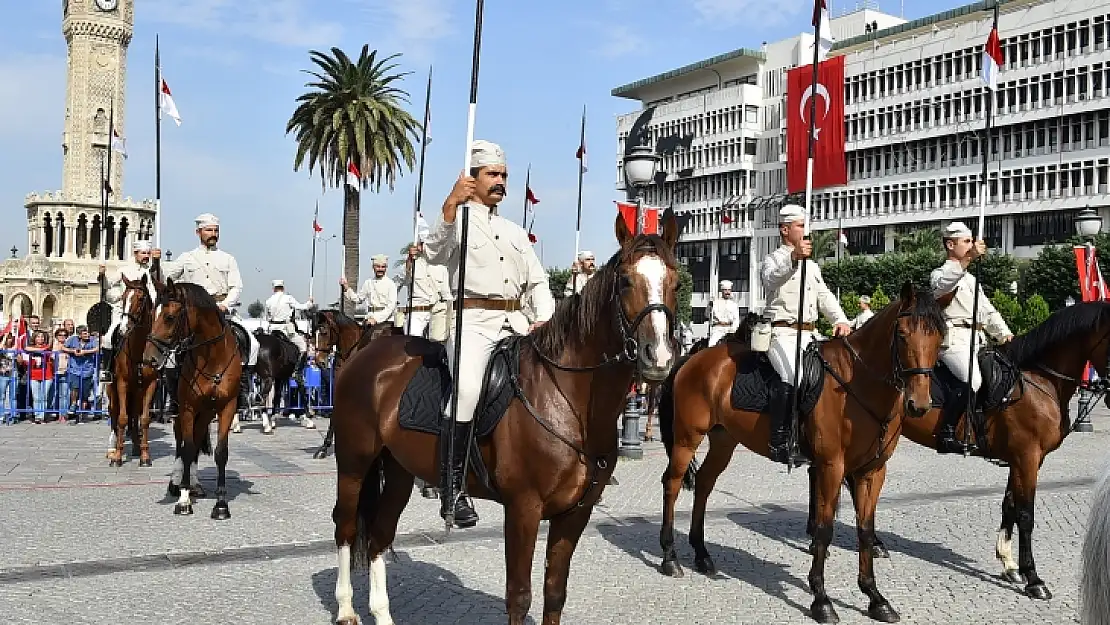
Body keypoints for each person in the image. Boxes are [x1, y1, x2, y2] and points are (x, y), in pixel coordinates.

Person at [423, 139, 554, 528]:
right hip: (473, 323)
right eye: (492, 174)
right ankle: (452, 489)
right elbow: (433, 252)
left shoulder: (515, 232)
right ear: (473, 179)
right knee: (465, 392)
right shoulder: (457, 220)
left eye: (504, 175)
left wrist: (544, 316)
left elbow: (539, 281)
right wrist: (449, 205)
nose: (500, 181)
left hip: (515, 323)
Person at [761, 204, 850, 464]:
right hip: (782, 332)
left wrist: (841, 320)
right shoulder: (775, 259)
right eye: (800, 226)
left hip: (811, 334)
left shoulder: (811, 266)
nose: (804, 230)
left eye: (804, 225)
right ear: (785, 229)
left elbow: (824, 296)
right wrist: (793, 260)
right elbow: (771, 280)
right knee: (792, 375)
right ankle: (780, 440)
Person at [158, 212, 257, 421]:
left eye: (215, 230)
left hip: (221, 309)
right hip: (194, 313)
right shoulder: (187, 258)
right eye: (209, 230)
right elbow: (167, 278)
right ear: (198, 232)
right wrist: (157, 263)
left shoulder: (227, 258)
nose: (213, 234)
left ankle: (242, 389)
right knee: (173, 351)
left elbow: (236, 285)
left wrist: (225, 304)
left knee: (252, 343)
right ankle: (175, 396)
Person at [930, 221, 1013, 454]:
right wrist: (967, 261)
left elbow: (986, 310)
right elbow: (941, 289)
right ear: (950, 244)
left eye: (971, 242)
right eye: (966, 242)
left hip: (978, 338)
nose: (971, 246)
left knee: (1000, 377)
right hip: (954, 340)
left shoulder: (970, 279)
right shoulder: (940, 273)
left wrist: (1004, 333)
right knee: (973, 381)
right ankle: (947, 433)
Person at [98, 239, 156, 382]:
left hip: (147, 312)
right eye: (143, 253)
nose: (146, 256)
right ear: (135, 254)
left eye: (148, 253)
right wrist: (102, 276)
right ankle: (107, 370)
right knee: (107, 338)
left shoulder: (151, 272)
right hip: (124, 312)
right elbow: (108, 284)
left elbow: (155, 290)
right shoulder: (124, 270)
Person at [399, 241, 452, 339]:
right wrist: (409, 260)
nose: (424, 247)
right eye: (422, 244)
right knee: (413, 343)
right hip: (417, 312)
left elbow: (447, 295)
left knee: (440, 345)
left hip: (436, 313)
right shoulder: (411, 264)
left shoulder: (441, 267)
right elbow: (404, 278)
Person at [341, 255, 397, 326]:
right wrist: (346, 287)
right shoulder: (368, 283)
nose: (380, 269)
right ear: (373, 267)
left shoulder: (391, 284)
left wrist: (376, 319)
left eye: (383, 267)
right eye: (378, 266)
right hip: (369, 319)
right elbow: (358, 299)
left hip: (386, 321)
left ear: (386, 268)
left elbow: (391, 307)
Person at [263, 279, 314, 353]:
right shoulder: (288, 298)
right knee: (303, 346)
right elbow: (301, 307)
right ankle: (298, 364)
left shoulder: (268, 301)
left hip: (272, 329)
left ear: (274, 289)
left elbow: (267, 318)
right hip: (285, 330)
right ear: (283, 288)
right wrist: (310, 303)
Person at [708, 280, 741, 346]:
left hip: (731, 330)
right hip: (718, 329)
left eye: (729, 290)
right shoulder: (715, 303)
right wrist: (709, 306)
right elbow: (709, 316)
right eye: (725, 290)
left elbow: (736, 319)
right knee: (711, 345)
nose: (727, 292)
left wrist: (733, 329)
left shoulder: (734, 304)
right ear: (722, 291)